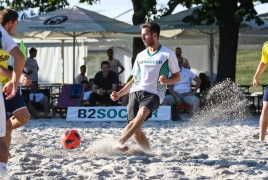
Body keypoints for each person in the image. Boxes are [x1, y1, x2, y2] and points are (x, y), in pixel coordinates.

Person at [110, 22, 180, 151]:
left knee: (142, 114)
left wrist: (166, 81)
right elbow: (134, 80)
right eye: (142, 35)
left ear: (154, 35)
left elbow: (177, 77)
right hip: (135, 92)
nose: (142, 38)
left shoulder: (167, 54)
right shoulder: (140, 55)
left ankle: (119, 141)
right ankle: (148, 153)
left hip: (154, 93)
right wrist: (119, 94)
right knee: (135, 129)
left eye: (145, 35)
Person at [0, 9, 29, 178]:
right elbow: (18, 58)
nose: (17, 27)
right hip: (6, 84)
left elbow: (19, 58)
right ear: (10, 22)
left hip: (7, 85)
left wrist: (17, 78)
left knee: (23, 117)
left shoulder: (6, 37)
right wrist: (15, 78)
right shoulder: (2, 34)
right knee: (4, 135)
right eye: (16, 23)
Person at [253, 41, 268, 141]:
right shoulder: (266, 46)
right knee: (266, 108)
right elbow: (263, 62)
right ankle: (261, 139)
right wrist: (256, 77)